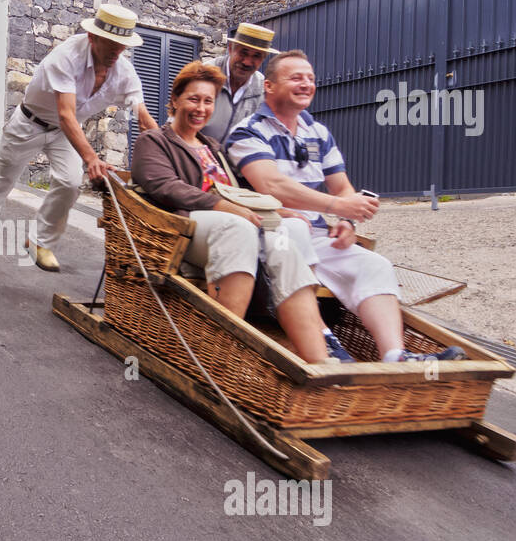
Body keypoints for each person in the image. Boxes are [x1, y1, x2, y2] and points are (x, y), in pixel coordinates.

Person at [227, 49, 464, 363]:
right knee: (294, 228)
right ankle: (321, 337)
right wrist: (339, 205)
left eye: (310, 79)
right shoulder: (247, 132)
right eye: (296, 78)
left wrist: (347, 220)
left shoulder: (318, 133)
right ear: (269, 86)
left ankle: (396, 356)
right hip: (269, 236)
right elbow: (272, 187)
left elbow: (342, 187)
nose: (306, 84)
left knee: (375, 265)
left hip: (314, 237)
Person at [131, 61, 354, 365]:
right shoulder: (154, 141)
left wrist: (279, 210)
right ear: (174, 100)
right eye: (193, 99)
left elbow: (241, 191)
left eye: (208, 101)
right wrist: (227, 208)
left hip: (230, 222)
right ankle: (220, 353)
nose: (201, 108)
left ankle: (319, 362)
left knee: (284, 239)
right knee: (237, 228)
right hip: (181, 225)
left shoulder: (213, 146)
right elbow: (164, 186)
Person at [0, 2, 158, 273]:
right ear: (93, 37)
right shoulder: (68, 55)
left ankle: (39, 242)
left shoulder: (123, 70)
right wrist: (91, 158)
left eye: (123, 44)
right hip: (30, 122)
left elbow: (142, 115)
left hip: (65, 132)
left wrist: (163, 142)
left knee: (69, 183)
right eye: (111, 43)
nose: (118, 50)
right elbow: (66, 114)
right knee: (1, 181)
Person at [201, 22, 274, 146]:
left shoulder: (262, 88)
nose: (247, 62)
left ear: (263, 59)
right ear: (230, 49)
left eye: (256, 56)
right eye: (243, 53)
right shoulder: (204, 75)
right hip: (195, 158)